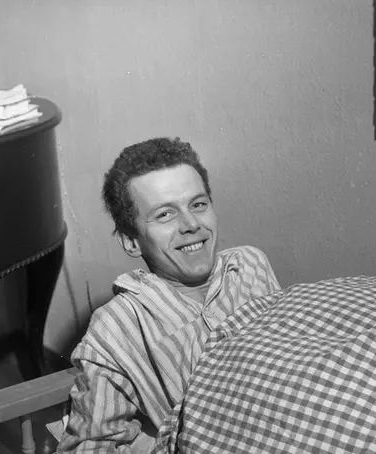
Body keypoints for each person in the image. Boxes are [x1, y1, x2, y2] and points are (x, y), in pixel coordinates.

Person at [57, 137, 280, 453]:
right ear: (132, 242)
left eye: (198, 205)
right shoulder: (116, 328)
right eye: (165, 214)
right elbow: (90, 445)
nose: (191, 224)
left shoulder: (249, 266)